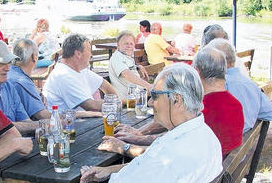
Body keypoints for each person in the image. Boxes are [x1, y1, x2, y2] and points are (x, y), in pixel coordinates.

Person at [23, 64, 222, 183]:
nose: (151, 102)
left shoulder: (175, 156)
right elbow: (149, 163)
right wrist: (107, 171)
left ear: (176, 100)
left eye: (155, 95)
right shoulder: (201, 135)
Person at [99, 47, 244, 159]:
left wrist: (131, 142)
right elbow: (174, 138)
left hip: (193, 181)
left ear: (196, 71)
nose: (151, 102)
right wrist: (139, 135)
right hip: (213, 174)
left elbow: (168, 147)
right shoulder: (236, 105)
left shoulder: (200, 108)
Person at [207, 39, 272, 132]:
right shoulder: (250, 83)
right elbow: (270, 113)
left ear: (216, 61)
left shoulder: (220, 85)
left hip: (229, 141)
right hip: (243, 139)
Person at [42, 33, 117, 112]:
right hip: (70, 123)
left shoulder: (80, 70)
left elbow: (104, 85)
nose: (91, 55)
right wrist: (119, 103)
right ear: (78, 54)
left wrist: (115, 101)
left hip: (85, 120)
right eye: (89, 50)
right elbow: (91, 106)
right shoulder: (63, 75)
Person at [0, 39, 38, 135]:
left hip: (18, 145)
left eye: (9, 62)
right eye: (2, 63)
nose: (8, 68)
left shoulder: (9, 86)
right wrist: (46, 124)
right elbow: (1, 128)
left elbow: (26, 121)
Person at [109, 31, 152, 100]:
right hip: (128, 101)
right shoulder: (117, 57)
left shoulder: (126, 57)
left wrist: (138, 67)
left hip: (138, 96)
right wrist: (148, 85)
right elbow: (126, 74)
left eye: (131, 44)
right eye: (126, 44)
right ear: (118, 45)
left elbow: (129, 69)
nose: (129, 46)